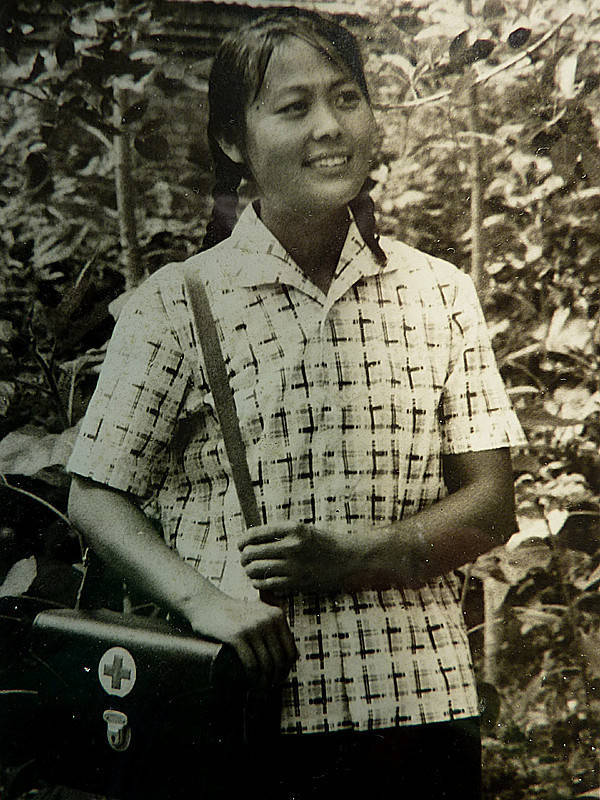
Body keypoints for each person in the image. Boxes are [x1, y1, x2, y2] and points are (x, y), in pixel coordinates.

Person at [67, 8, 526, 799]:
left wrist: (355, 556)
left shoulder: (438, 292)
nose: (329, 127)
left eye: (346, 98)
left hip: (421, 705)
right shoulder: (177, 302)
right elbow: (96, 493)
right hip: (244, 708)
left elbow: (490, 504)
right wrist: (204, 603)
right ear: (233, 141)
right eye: (293, 107)